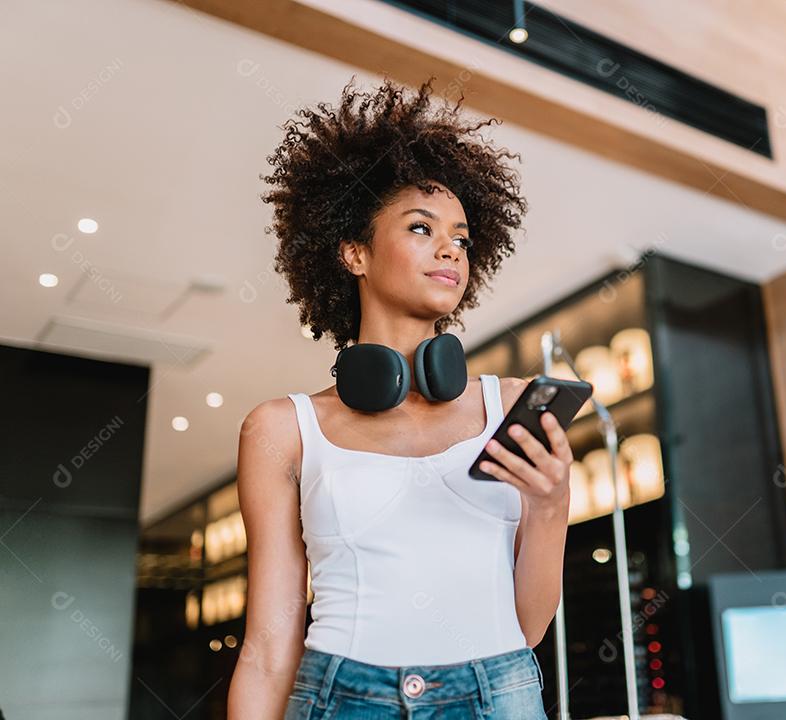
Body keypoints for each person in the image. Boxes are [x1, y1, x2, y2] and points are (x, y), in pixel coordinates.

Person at [227, 76, 572, 719]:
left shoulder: (514, 405)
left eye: (463, 237)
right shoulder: (282, 429)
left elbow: (526, 630)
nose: (450, 249)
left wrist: (550, 507)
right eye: (421, 227)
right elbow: (270, 647)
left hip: (497, 695)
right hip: (340, 699)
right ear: (355, 252)